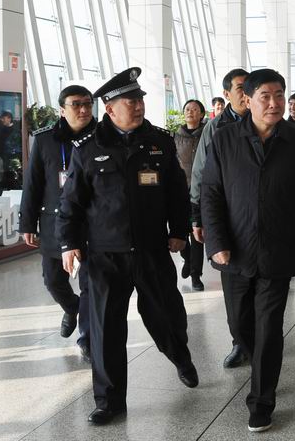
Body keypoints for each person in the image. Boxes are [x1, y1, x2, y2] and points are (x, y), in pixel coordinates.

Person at [56, 67, 198, 425]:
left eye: (140, 100)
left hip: (151, 249)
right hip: (104, 255)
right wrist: (69, 243)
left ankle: (179, 356)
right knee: (106, 330)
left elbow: (176, 191)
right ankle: (109, 401)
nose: (138, 106)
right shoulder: (88, 148)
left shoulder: (160, 142)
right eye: (130, 102)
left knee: (166, 316)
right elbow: (71, 202)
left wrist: (180, 230)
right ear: (110, 108)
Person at [201, 68, 295, 432]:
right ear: (247, 99)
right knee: (240, 325)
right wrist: (217, 243)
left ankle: (261, 400)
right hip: (234, 252)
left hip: (277, 250)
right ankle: (260, 365)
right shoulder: (225, 139)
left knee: (269, 328)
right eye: (265, 96)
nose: (274, 103)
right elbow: (211, 193)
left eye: (279, 95)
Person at [18, 85, 97, 362]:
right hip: (55, 223)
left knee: (91, 285)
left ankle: (87, 339)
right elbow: (33, 185)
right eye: (76, 104)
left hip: (92, 224)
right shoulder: (45, 140)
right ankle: (72, 308)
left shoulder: (102, 137)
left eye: (88, 104)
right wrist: (27, 223)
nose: (84, 110)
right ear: (62, 110)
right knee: (53, 281)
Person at [190, 68, 250, 368]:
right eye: (240, 88)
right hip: (226, 217)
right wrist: (197, 216)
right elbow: (201, 173)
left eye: (249, 87)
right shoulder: (216, 128)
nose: (246, 93)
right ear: (227, 94)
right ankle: (240, 341)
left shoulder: (267, 121)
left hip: (259, 218)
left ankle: (260, 338)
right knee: (234, 286)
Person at [174, 99, 207, 291]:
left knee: (197, 232)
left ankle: (196, 275)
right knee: (181, 229)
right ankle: (187, 257)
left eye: (195, 109)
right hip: (180, 191)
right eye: (187, 109)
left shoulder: (208, 134)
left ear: (201, 114)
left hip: (201, 191)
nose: (190, 112)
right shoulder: (174, 137)